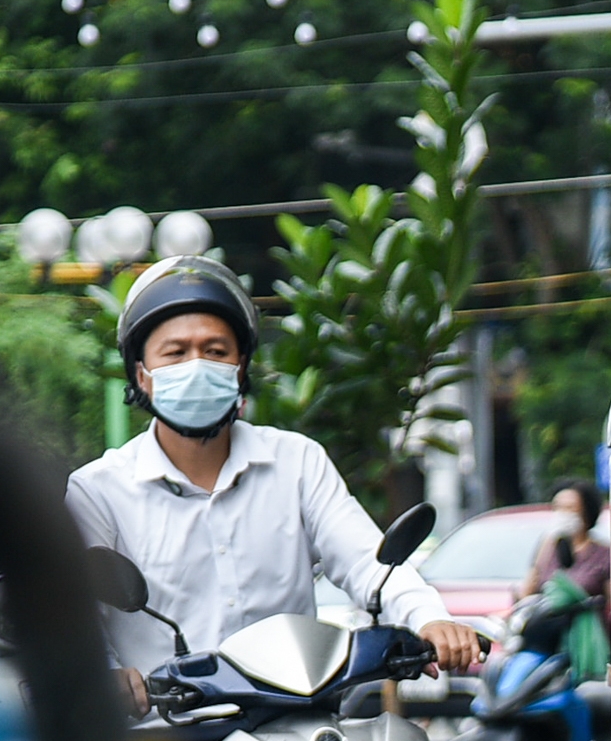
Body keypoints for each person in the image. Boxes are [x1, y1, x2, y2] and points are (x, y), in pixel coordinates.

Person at [65, 255, 482, 717]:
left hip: (296, 732)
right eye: (176, 353)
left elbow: (367, 561)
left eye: (216, 351)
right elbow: (73, 612)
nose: (197, 364)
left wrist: (429, 617)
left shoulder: (296, 461)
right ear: (143, 375)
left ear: (240, 367)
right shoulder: (97, 491)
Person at [522, 478, 611, 599]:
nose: (562, 514)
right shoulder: (549, 548)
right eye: (558, 507)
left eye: (570, 508)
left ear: (586, 512)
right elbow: (527, 593)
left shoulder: (603, 554)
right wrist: (549, 541)